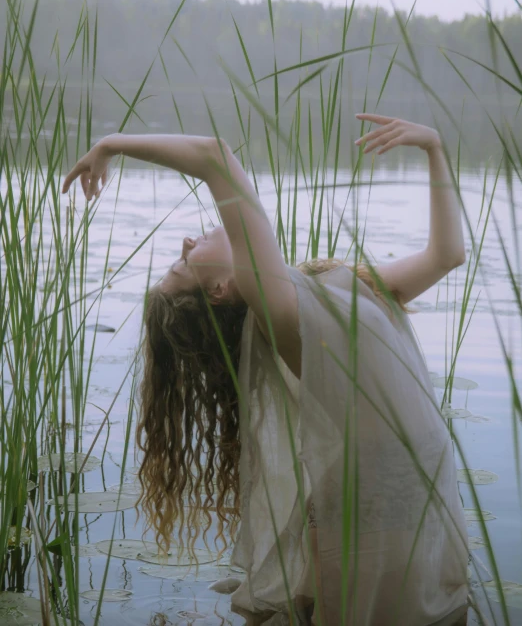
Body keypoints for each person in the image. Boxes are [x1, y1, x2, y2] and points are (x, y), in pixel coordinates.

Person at [61, 114, 470, 626]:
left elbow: (447, 255)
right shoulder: (277, 310)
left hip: (395, 511)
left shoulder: (320, 292)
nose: (187, 244)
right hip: (369, 518)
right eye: (183, 265)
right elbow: (215, 157)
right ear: (218, 291)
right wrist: (111, 143)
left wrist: (433, 148)